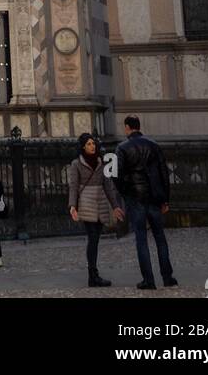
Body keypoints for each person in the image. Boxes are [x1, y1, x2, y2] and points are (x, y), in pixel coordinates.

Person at [115, 115, 178, 291]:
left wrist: (125, 193)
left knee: (141, 239)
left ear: (127, 127)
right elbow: (164, 173)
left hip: (136, 198)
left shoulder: (122, 148)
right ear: (139, 126)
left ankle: (148, 279)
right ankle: (167, 276)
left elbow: (116, 175)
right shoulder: (153, 145)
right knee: (160, 237)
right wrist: (165, 198)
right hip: (153, 197)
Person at [68, 132, 124, 288]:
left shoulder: (101, 162)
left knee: (96, 239)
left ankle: (93, 275)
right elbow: (73, 186)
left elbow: (108, 185)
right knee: (92, 238)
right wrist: (72, 205)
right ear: (83, 147)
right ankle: (93, 275)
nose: (92, 146)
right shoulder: (76, 163)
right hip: (86, 203)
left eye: (93, 143)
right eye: (88, 144)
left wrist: (115, 206)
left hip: (100, 203)